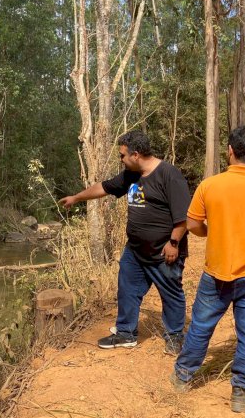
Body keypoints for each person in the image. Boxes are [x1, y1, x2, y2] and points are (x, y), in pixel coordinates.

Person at [170, 126, 245, 413]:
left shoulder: (210, 186)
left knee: (201, 326)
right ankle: (241, 391)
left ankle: (183, 376)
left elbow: (192, 224)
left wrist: (211, 232)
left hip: (216, 272)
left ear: (230, 151)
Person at [59, 130, 190, 354]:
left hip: (164, 251)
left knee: (170, 293)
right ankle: (126, 333)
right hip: (135, 250)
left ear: (136, 154)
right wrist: (77, 197)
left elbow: (184, 217)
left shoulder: (169, 175)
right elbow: (104, 187)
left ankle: (175, 336)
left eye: (122, 155)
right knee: (127, 289)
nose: (120, 159)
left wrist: (174, 243)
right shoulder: (131, 174)